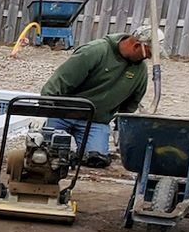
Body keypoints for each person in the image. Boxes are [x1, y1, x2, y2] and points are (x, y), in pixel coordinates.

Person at [40, 27, 151, 166]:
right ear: (136, 46)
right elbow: (62, 79)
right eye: (147, 54)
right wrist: (47, 106)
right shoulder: (95, 51)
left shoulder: (140, 71)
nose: (148, 58)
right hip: (63, 113)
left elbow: (132, 102)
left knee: (96, 160)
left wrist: (120, 125)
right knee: (47, 156)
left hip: (96, 121)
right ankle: (50, 131)